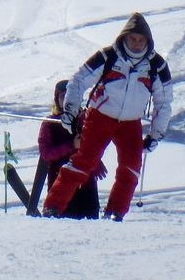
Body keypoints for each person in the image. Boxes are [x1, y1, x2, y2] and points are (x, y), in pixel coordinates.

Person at [42, 13, 173, 222]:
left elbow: (164, 101)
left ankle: (115, 212)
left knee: (131, 167)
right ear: (125, 38)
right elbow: (79, 80)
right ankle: (53, 207)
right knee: (84, 161)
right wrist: (70, 110)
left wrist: (155, 134)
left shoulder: (156, 65)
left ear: (148, 41)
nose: (137, 44)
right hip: (100, 116)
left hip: (131, 122)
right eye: (133, 39)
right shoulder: (108, 56)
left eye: (141, 40)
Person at [37, 80, 106, 220]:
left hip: (86, 182)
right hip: (59, 179)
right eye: (63, 96)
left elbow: (94, 143)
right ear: (57, 99)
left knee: (90, 219)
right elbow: (46, 153)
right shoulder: (50, 123)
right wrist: (71, 145)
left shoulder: (86, 119)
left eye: (71, 97)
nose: (67, 100)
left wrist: (96, 161)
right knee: (64, 219)